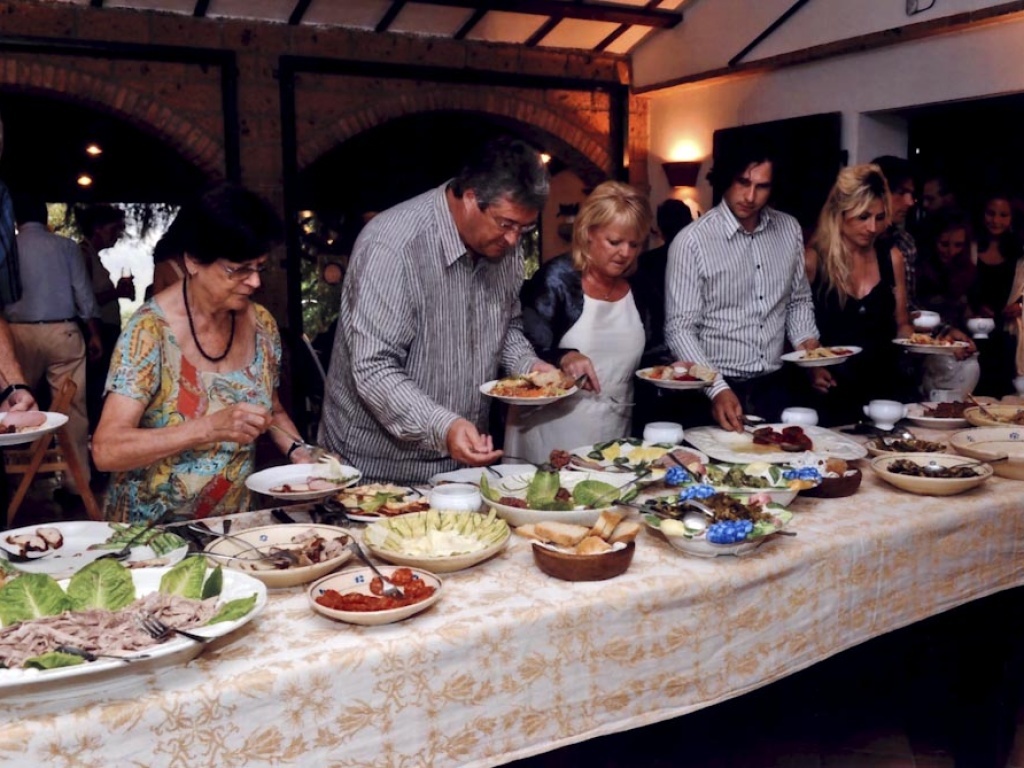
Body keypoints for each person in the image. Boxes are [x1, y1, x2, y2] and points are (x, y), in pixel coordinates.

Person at [318, 136, 553, 484]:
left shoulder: (504, 246)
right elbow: (374, 368)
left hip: (459, 468)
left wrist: (530, 368)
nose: (514, 240)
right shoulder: (393, 246)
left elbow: (506, 327)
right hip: (376, 471)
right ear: (470, 197)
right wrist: (443, 426)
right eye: (506, 224)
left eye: (525, 228)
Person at [91, 183, 311, 522]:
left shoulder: (262, 325)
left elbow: (272, 409)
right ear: (193, 261)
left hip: (232, 531)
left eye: (260, 267)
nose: (255, 282)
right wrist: (207, 428)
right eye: (239, 269)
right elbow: (107, 450)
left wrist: (300, 453)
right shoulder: (150, 331)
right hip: (151, 536)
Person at [664, 142, 823, 432]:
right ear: (726, 177)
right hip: (711, 389)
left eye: (762, 187)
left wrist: (809, 349)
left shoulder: (789, 229)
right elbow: (680, 329)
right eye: (743, 182)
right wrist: (716, 387)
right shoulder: (692, 242)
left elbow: (797, 301)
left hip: (774, 389)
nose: (750, 197)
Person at [503, 181, 654, 463]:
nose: (625, 253)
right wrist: (564, 356)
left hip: (614, 430)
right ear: (588, 233)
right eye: (615, 242)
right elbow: (521, 349)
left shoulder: (641, 286)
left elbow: (652, 355)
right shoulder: (555, 280)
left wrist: (676, 366)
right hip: (549, 431)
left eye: (634, 244)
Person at [5, 193, 102, 510]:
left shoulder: (9, 245)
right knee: (72, 408)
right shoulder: (66, 246)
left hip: (16, 333)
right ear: (45, 216)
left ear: (16, 218)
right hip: (62, 331)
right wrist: (93, 333)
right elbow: (84, 296)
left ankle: (16, 481)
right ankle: (76, 484)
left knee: (13, 406)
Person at [805, 164, 919, 425]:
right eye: (863, 217)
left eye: (879, 218)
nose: (872, 227)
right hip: (830, 394)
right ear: (840, 213)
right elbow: (794, 328)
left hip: (884, 394)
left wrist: (912, 342)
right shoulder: (813, 261)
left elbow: (901, 322)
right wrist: (811, 369)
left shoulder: (892, 258)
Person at [631, 197, 694, 435]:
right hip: (683, 354)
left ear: (659, 228)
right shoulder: (641, 265)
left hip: (652, 358)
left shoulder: (645, 262)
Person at [76, 204, 133, 431]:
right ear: (97, 228)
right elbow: (84, 300)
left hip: (106, 331)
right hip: (98, 332)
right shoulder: (83, 255)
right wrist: (116, 293)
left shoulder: (93, 256)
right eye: (114, 229)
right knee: (95, 387)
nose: (117, 235)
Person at [915, 208, 981, 397]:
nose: (951, 251)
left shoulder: (967, 270)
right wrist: (945, 338)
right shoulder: (919, 270)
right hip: (924, 349)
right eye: (944, 244)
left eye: (958, 245)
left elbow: (966, 312)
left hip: (957, 345)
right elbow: (913, 313)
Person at [968, 190, 1022, 396]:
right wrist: (974, 307)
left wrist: (1020, 305)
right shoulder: (970, 247)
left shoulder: (1019, 252)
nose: (996, 220)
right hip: (972, 332)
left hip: (1007, 336)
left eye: (1003, 215)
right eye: (990, 213)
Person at [872, 155, 919, 307]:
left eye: (911, 194)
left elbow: (909, 304)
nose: (910, 202)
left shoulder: (904, 242)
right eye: (901, 192)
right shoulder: (849, 244)